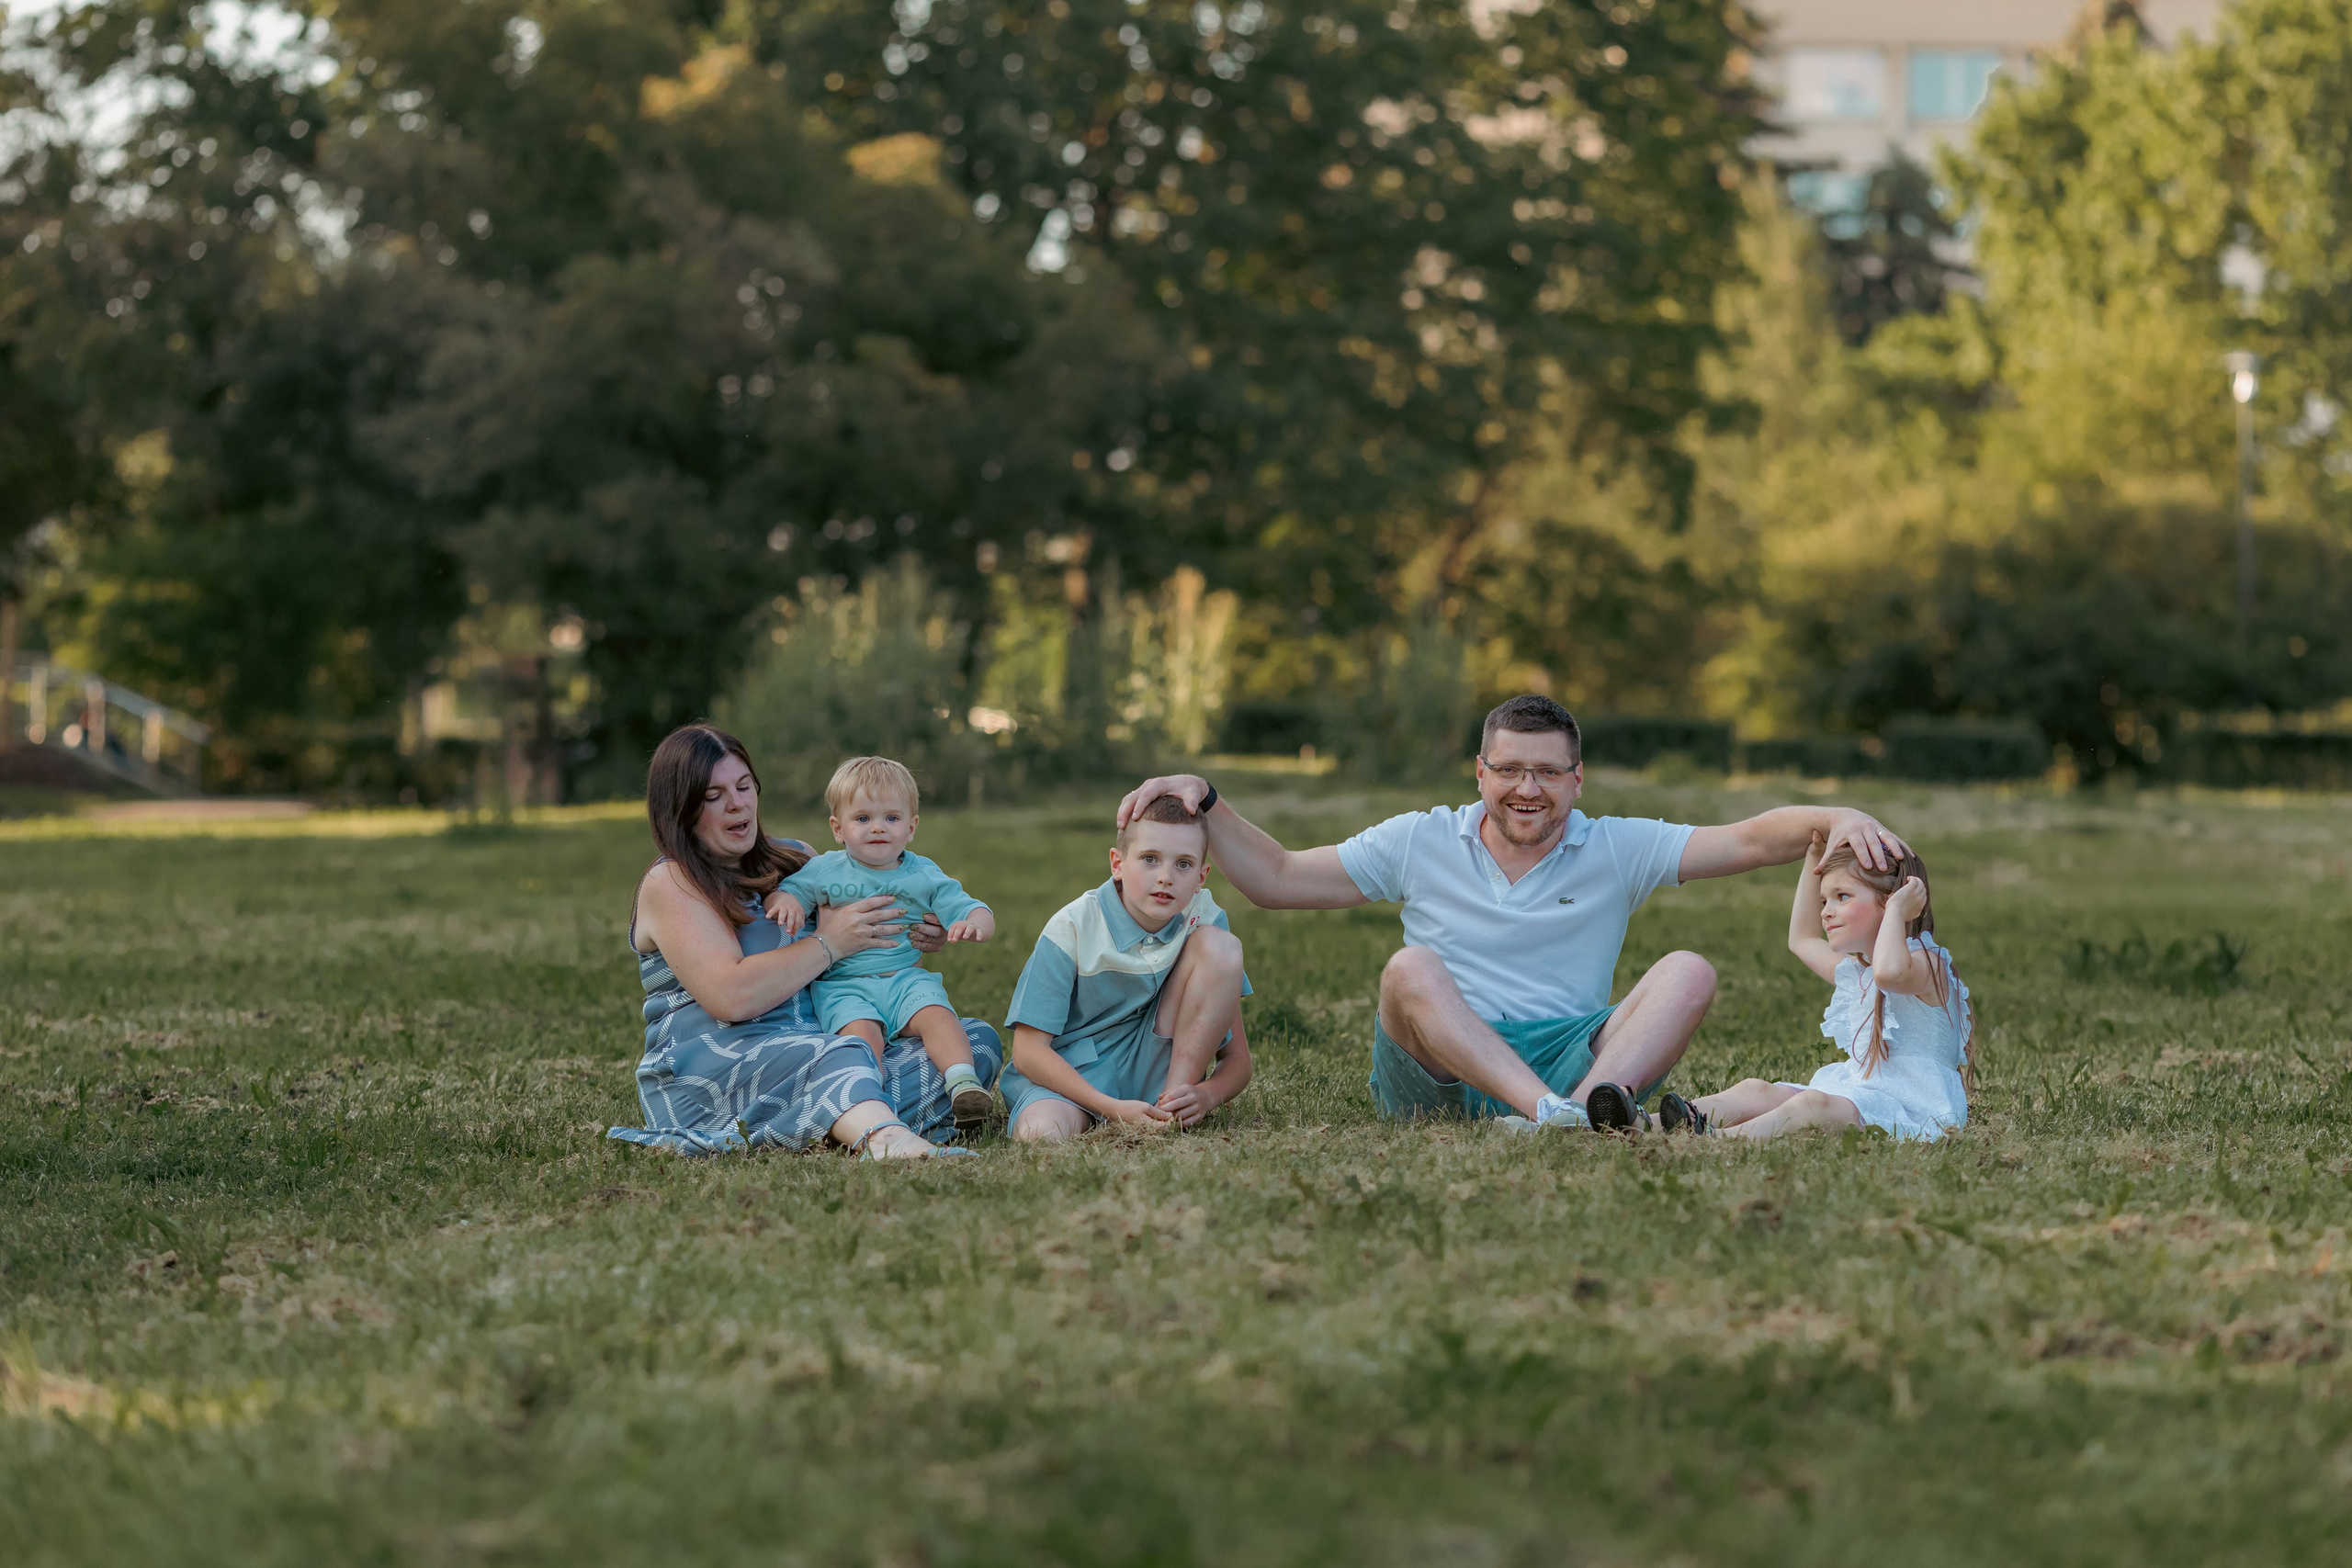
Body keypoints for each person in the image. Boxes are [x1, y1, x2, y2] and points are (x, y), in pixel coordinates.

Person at [1114, 694, 1912, 1133]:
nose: (1528, 789)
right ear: (1480, 772)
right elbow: (1279, 877)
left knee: (1690, 971)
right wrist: (1206, 800)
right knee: (1408, 968)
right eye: (1510, 770)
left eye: (1548, 773)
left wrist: (1832, 816)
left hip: (1572, 1052)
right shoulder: (1420, 838)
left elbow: (1746, 839)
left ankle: (1585, 1109)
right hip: (1437, 1068)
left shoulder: (1615, 845)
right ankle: (1553, 1116)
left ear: (1577, 779)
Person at [608, 725, 999, 1161]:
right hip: (717, 1069)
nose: (737, 803)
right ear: (680, 808)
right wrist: (830, 942)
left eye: (744, 786)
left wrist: (922, 933)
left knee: (973, 1041)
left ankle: (829, 1120)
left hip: (824, 1041)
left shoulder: (797, 859)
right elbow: (731, 997)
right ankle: (886, 1138)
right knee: (843, 1053)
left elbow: (872, 948)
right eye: (714, 796)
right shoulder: (672, 881)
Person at [1657, 836, 1973, 1141]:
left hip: (1916, 1107)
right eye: (1824, 901)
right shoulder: (1860, 974)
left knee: (1812, 1105)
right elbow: (1803, 939)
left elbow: (1889, 973)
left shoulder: (1927, 963)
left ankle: (1716, 1139)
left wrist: (1897, 911)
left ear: (1893, 898)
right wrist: (1814, 856)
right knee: (1756, 1089)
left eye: (1842, 896)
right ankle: (1650, 1122)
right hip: (1862, 1092)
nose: (1826, 911)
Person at [997, 795, 1254, 1143]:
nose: (1165, 877)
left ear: (1201, 876)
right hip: (1073, 1080)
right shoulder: (1072, 927)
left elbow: (1237, 1060)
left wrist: (1205, 1096)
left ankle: (1168, 1112)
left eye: (1183, 864)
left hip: (1157, 1075)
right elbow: (1028, 1052)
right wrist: (1111, 1109)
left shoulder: (1205, 920)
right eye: (1150, 859)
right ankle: (1101, 1115)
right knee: (1041, 1134)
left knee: (1223, 947)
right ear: (1117, 864)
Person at [768, 756, 997, 1134]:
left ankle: (962, 1084)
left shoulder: (924, 874)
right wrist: (787, 902)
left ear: (911, 827)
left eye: (891, 818)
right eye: (862, 818)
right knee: (860, 1040)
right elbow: (789, 891)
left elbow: (974, 908)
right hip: (845, 986)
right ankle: (868, 1101)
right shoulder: (826, 869)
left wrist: (974, 925)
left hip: (904, 978)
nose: (878, 828)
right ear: (838, 829)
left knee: (938, 1016)